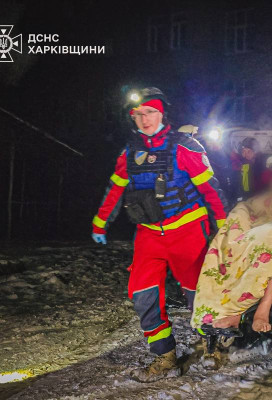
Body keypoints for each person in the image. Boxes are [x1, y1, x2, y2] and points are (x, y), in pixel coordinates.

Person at [91, 87, 227, 382]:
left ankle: (211, 343)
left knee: (198, 292)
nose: (144, 119)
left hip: (188, 229)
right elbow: (115, 189)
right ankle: (165, 356)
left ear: (163, 114)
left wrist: (224, 223)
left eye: (150, 112)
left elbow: (210, 189)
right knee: (142, 294)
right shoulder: (130, 152)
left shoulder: (185, 146)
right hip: (149, 234)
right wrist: (100, 222)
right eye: (138, 114)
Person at [191, 173, 272, 333]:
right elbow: (242, 212)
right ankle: (233, 314)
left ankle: (261, 313)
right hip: (247, 239)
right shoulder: (257, 202)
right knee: (227, 254)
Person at [230, 137, 272, 202]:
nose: (245, 154)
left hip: (260, 200)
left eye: (248, 151)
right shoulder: (241, 166)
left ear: (255, 152)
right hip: (245, 199)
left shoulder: (264, 169)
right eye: (243, 151)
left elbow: (268, 189)